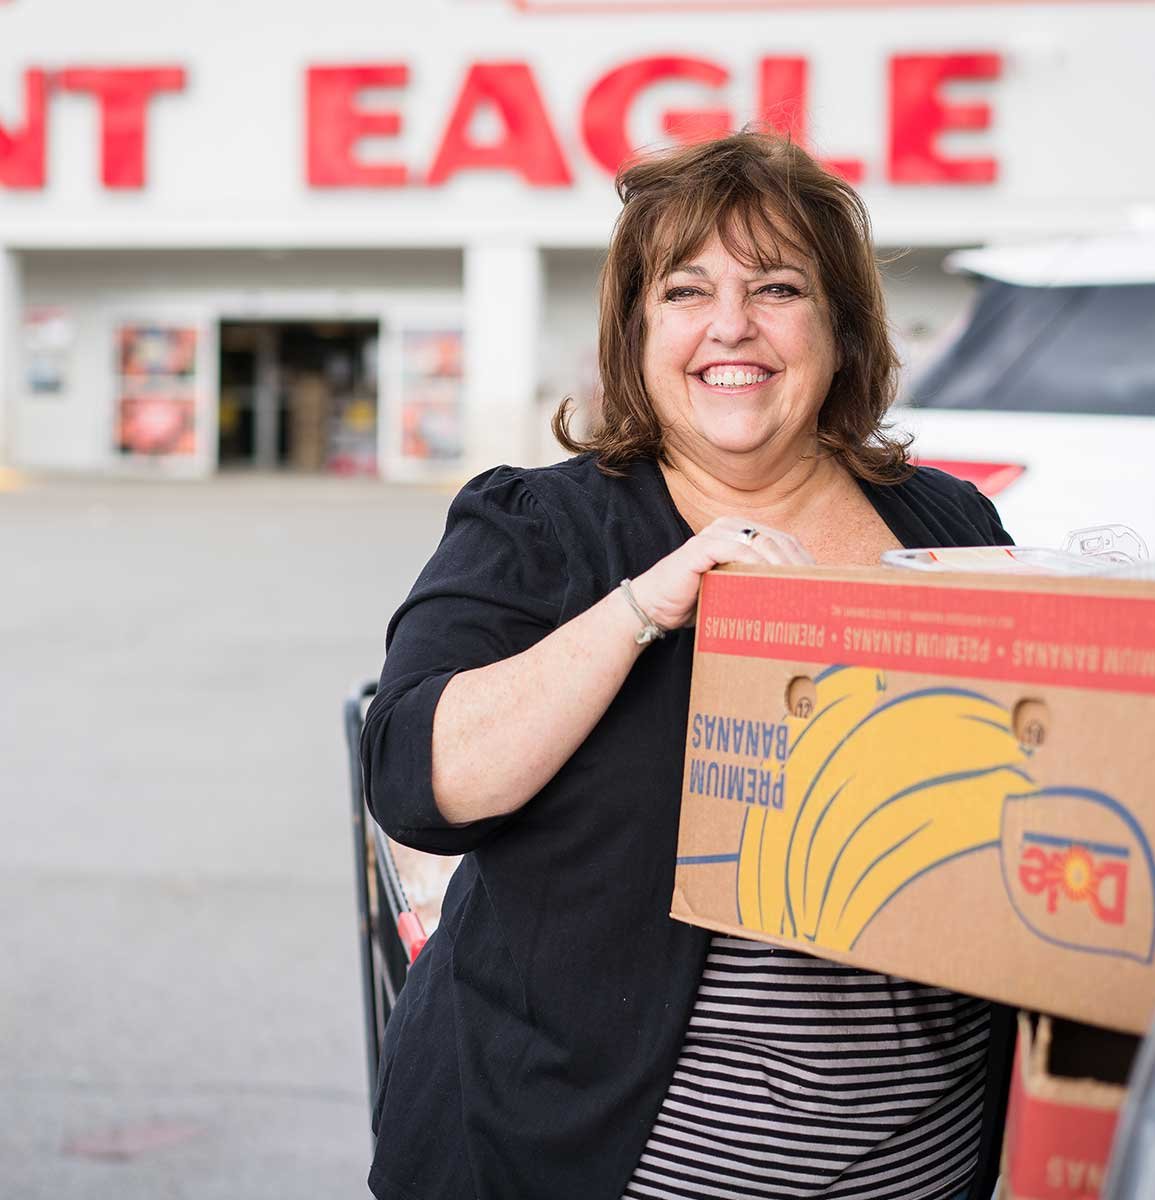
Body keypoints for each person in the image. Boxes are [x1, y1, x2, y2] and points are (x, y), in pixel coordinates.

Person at [362, 131, 1015, 1200]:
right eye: (686, 290)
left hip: (918, 1160)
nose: (731, 325)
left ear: (841, 331)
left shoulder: (944, 520)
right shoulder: (543, 527)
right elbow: (418, 782)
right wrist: (644, 606)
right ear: (636, 333)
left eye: (777, 287)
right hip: (591, 1159)